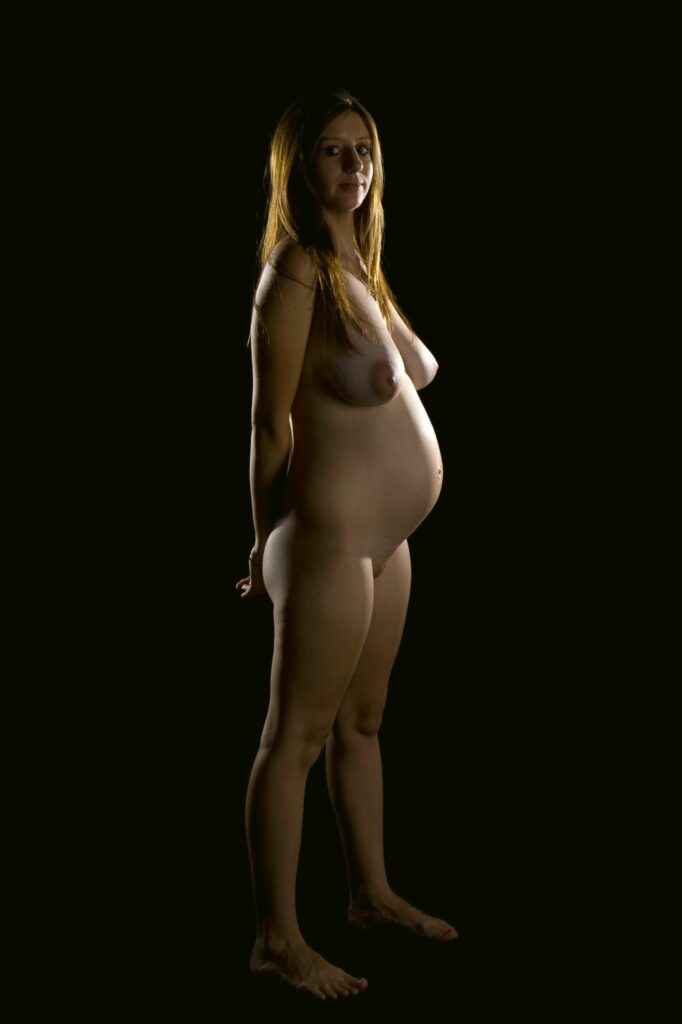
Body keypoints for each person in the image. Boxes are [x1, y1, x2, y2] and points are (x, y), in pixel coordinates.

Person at [237, 88, 458, 1002]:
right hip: (327, 538)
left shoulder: (356, 266)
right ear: (298, 166)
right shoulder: (293, 271)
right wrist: (263, 548)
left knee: (362, 726)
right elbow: (269, 427)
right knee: (295, 736)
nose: (352, 164)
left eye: (361, 148)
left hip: (383, 541)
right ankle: (278, 940)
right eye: (331, 150)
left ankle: (371, 895)